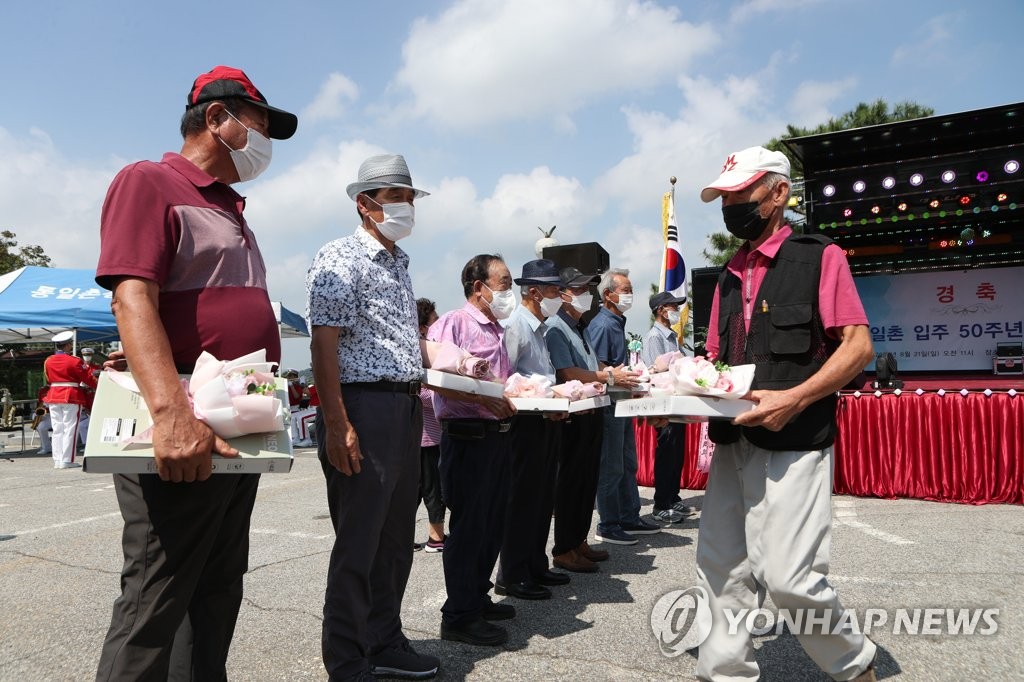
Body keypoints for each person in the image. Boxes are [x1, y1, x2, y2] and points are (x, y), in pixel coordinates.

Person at [94, 65, 297, 680]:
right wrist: (170, 415)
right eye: (258, 125)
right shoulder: (150, 182)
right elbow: (132, 299)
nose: (264, 142)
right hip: (189, 410)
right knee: (157, 593)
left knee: (216, 588)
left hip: (238, 414)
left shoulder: (230, 207)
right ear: (217, 118)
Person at [695, 146, 877, 681]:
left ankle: (853, 666)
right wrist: (675, 396)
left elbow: (858, 348)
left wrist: (795, 398)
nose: (731, 204)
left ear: (778, 193)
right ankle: (724, 674)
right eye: (724, 196)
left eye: (739, 192)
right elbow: (713, 363)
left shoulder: (821, 257)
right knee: (722, 569)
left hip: (796, 439)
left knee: (790, 577)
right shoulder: (728, 274)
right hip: (733, 441)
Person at [306, 153, 440, 681]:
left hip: (405, 406)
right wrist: (338, 422)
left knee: (394, 542)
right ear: (365, 204)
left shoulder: (397, 261)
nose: (407, 207)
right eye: (397, 198)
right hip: (364, 404)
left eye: (410, 198)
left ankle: (384, 640)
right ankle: (346, 659)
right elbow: (324, 347)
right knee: (359, 543)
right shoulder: (341, 257)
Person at [428, 254, 518, 647]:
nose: (508, 292)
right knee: (467, 527)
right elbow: (435, 380)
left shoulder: (497, 328)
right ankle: (459, 615)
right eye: (504, 283)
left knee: (492, 522)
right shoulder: (453, 323)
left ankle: (477, 596)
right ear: (478, 287)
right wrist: (485, 401)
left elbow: (501, 382)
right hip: (466, 435)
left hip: (497, 433)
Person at [545, 267, 637, 571]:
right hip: (575, 415)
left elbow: (591, 363)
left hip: (593, 409)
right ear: (564, 293)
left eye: (588, 289)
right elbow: (569, 373)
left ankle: (578, 540)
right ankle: (564, 548)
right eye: (581, 289)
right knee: (572, 483)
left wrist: (613, 376)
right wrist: (608, 375)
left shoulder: (580, 325)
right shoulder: (557, 327)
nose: (586, 295)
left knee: (586, 482)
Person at [495, 259, 568, 600]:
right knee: (522, 499)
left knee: (542, 498)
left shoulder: (539, 326)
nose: (560, 295)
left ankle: (535, 563)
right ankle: (512, 573)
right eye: (554, 290)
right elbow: (505, 377)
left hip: (546, 419)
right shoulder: (517, 325)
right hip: (524, 424)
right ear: (535, 292)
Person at [584, 269, 661, 545]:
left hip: (622, 402)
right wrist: (621, 375)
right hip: (609, 403)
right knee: (611, 466)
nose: (630, 295)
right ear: (608, 295)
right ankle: (609, 523)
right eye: (625, 290)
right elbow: (597, 368)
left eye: (630, 290)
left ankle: (629, 516)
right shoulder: (603, 325)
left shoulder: (616, 322)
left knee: (628, 463)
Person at [641, 292, 693, 524]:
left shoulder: (671, 335)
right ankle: (661, 502)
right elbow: (656, 371)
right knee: (666, 450)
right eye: (673, 307)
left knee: (676, 450)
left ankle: (673, 496)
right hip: (664, 401)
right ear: (661, 310)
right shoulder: (654, 336)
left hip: (677, 399)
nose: (677, 312)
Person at [416, 297, 446, 554]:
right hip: (427, 437)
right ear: (424, 327)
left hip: (424, 435)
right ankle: (436, 537)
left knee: (415, 490)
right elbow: (422, 394)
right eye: (435, 321)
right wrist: (448, 394)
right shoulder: (421, 352)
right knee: (433, 489)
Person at [42, 331, 95, 469]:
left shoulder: (48, 360)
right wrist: (98, 386)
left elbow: (48, 379)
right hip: (70, 395)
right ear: (67, 346)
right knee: (70, 428)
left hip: (53, 395)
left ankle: (57, 460)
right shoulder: (75, 360)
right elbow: (88, 378)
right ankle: (67, 460)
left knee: (57, 428)